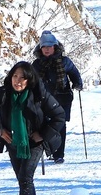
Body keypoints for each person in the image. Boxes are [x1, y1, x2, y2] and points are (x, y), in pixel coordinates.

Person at [0, 61, 66, 195]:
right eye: (15, 76)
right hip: (13, 141)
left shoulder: (39, 94)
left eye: (22, 78)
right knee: (21, 177)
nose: (17, 81)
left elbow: (59, 115)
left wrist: (43, 134)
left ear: (29, 80)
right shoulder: (4, 93)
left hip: (34, 143)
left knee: (26, 176)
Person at [32, 30, 83, 163]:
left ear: (55, 47)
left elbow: (74, 73)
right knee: (45, 124)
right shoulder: (36, 64)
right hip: (43, 99)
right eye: (44, 46)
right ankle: (50, 150)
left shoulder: (64, 61)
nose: (47, 49)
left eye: (49, 46)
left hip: (62, 96)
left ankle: (59, 154)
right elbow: (31, 79)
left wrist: (77, 83)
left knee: (60, 124)